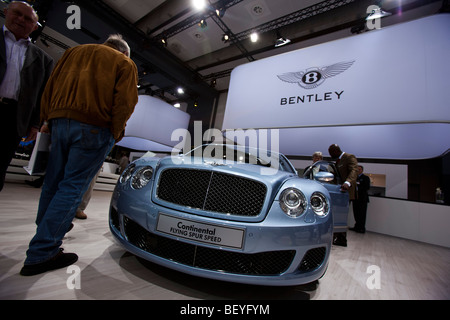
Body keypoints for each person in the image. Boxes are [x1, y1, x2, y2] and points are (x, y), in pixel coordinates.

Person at [20, 34, 139, 276]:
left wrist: (46, 120)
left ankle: (43, 235)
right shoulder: (124, 63)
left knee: (52, 185)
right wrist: (116, 133)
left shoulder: (72, 53)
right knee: (72, 187)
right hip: (94, 126)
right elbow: (125, 102)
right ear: (124, 52)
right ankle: (43, 251)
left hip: (59, 122)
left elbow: (49, 87)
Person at [0, 1, 54, 192]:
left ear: (35, 26)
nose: (21, 20)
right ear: (6, 12)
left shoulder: (43, 60)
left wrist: (35, 123)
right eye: (17, 13)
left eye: (28, 19)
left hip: (14, 118)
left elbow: (42, 95)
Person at [328, 144, 359, 246]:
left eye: (331, 153)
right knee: (337, 215)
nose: (330, 155)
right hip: (338, 191)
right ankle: (338, 237)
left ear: (335, 151)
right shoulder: (337, 161)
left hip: (346, 192)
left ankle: (342, 239)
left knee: (342, 215)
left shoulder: (349, 157)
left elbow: (354, 171)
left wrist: (348, 183)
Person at [350, 165, 370, 233]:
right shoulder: (354, 178)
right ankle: (356, 227)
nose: (358, 171)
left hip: (362, 199)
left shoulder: (365, 178)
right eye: (357, 170)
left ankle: (361, 228)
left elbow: (367, 187)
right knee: (356, 214)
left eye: (359, 169)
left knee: (362, 214)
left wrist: (358, 187)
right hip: (355, 199)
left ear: (362, 170)